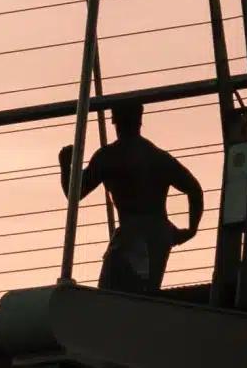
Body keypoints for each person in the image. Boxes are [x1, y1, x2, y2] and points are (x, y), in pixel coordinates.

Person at [58, 96, 204, 295]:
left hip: (132, 234)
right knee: (144, 294)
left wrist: (66, 166)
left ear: (115, 122)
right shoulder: (157, 156)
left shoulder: (109, 157)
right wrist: (190, 229)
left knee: (110, 296)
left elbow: (74, 194)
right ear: (139, 122)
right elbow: (194, 189)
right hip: (158, 233)